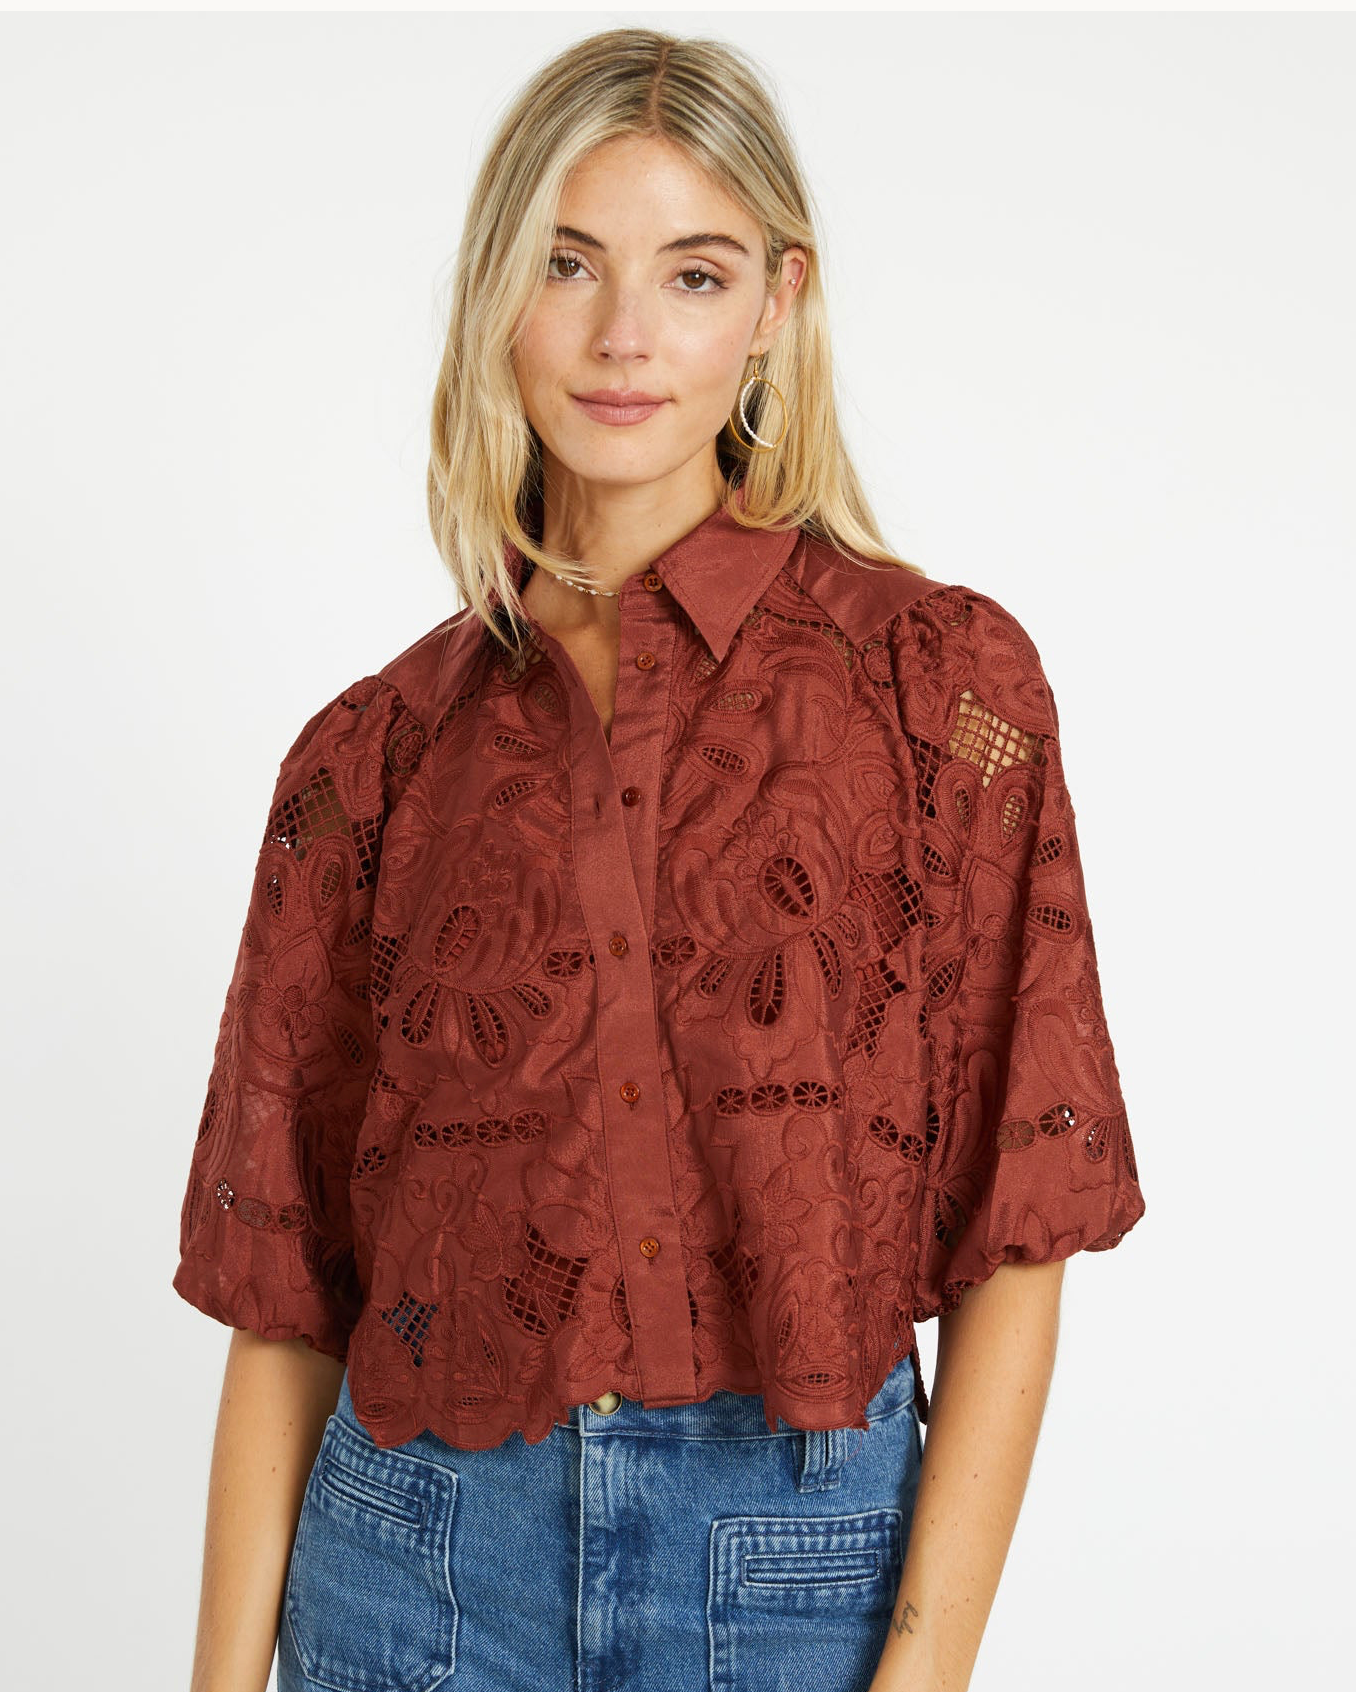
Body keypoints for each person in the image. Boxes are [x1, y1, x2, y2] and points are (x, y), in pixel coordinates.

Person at [173, 26, 1145, 1692]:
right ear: (498, 293)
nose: (624, 335)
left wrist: (921, 1678)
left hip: (798, 1572)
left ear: (776, 303)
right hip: (417, 1566)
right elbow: (288, 1295)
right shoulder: (369, 760)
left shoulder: (941, 693)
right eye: (569, 265)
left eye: (693, 274)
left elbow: (1021, 1230)